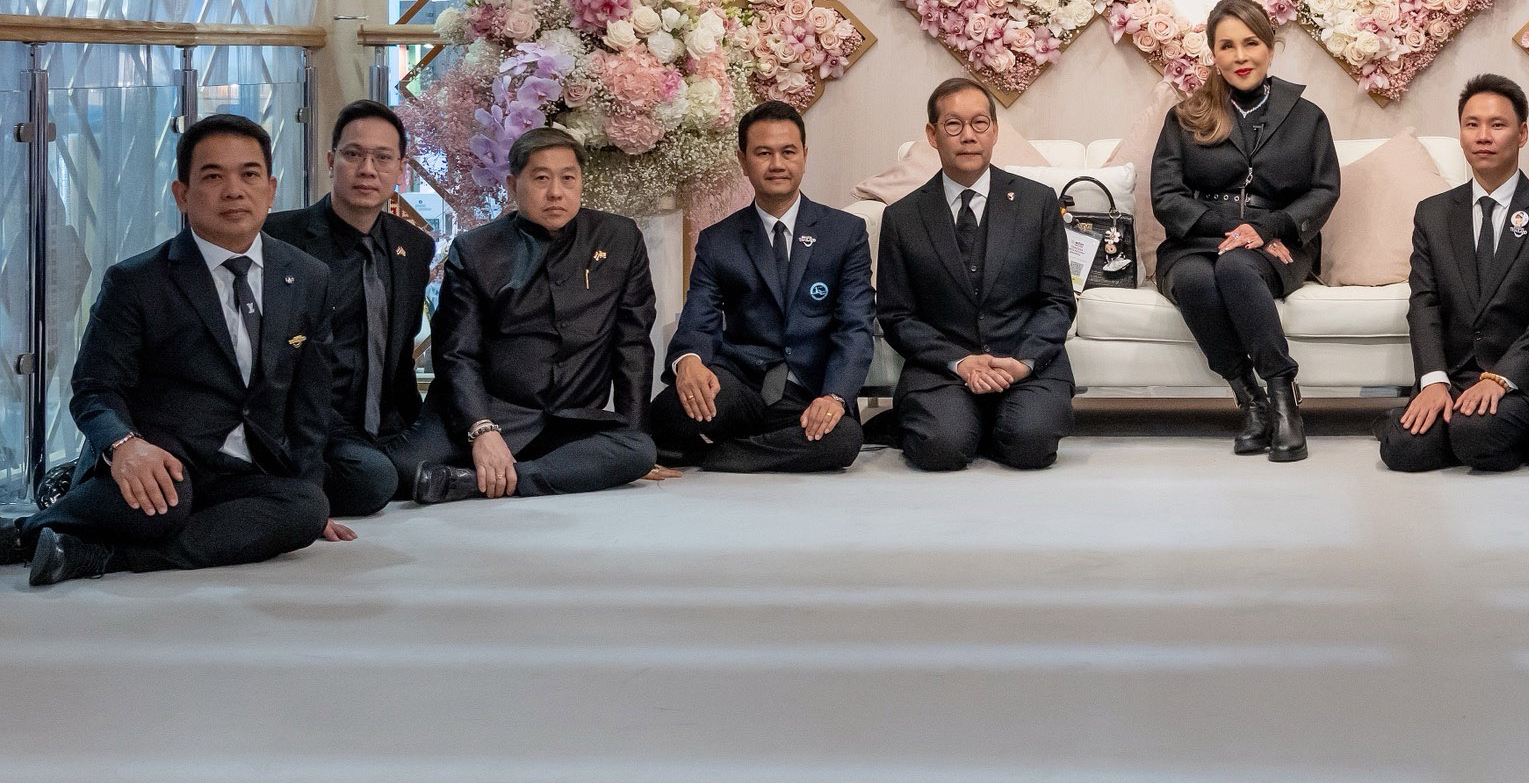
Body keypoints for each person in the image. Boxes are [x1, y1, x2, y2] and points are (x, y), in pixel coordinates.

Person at [1, 115, 335, 586]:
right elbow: (95, 388)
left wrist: (308, 490)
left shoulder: (307, 276)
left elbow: (311, 402)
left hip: (245, 467)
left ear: (272, 188)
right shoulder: (137, 281)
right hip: (159, 458)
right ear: (182, 194)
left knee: (307, 507)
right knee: (163, 504)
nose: (234, 191)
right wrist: (124, 445)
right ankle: (30, 531)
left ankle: (99, 555)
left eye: (249, 174)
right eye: (213, 176)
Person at [399, 127, 659, 503]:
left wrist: (637, 433)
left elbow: (633, 344)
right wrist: (482, 430)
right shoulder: (475, 250)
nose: (556, 192)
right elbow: (457, 353)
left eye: (568, 178)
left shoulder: (619, 238)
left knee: (638, 450)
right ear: (511, 184)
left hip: (568, 420)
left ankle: (478, 482)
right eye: (540, 178)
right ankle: (517, 469)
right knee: (406, 472)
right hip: (490, 409)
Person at [1150, 0, 1341, 462]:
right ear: (1213, 54)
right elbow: (1166, 196)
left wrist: (1269, 228)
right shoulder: (1188, 115)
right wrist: (1236, 226)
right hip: (1196, 239)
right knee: (1196, 279)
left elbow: (1323, 190)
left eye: (1251, 43)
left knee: (1236, 268)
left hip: (1279, 241)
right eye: (1227, 46)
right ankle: (1250, 400)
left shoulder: (1307, 116)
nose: (1240, 57)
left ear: (1270, 47)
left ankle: (1282, 397)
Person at [650, 101, 875, 473]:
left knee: (844, 440)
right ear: (742, 159)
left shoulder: (844, 233)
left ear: (805, 154)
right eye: (763, 153)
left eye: (788, 152)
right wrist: (687, 361)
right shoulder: (717, 240)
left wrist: (835, 395)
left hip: (808, 391)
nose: (777, 164)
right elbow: (698, 317)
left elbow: (855, 325)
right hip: (741, 385)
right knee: (671, 409)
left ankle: (720, 455)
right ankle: (762, 446)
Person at [1379, 75, 1529, 474]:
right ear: (1460, 134)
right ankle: (1454, 427)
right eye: (1472, 124)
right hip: (1455, 377)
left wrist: (1501, 379)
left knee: (1477, 434)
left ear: (1522, 133)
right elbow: (1424, 304)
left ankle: (1484, 431)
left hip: (1525, 381)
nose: (1483, 136)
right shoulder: (1433, 213)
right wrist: (1434, 381)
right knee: (1402, 450)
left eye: (1497, 124)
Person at [877, 77, 1078, 472]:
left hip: (1023, 363)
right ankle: (958, 420)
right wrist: (960, 362)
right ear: (933, 135)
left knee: (1030, 445)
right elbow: (897, 316)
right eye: (953, 125)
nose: (968, 136)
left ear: (995, 131)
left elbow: (1058, 302)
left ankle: (985, 419)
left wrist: (1023, 361)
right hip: (944, 369)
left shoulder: (1037, 202)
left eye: (979, 124)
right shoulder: (902, 218)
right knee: (941, 450)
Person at [265, 100, 438, 518]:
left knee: (449, 455)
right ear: (331, 160)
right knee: (375, 480)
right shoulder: (279, 240)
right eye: (353, 154)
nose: (367, 169)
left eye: (383, 158)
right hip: (311, 422)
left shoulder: (414, 246)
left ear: (401, 169)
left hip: (390, 423)